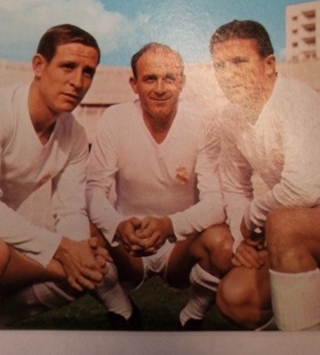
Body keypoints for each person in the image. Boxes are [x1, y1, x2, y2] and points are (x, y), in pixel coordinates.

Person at [0, 24, 111, 327]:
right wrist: (63, 250)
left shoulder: (74, 134)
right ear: (39, 65)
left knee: (90, 260)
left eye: (88, 72)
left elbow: (70, 210)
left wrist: (78, 250)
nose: (77, 82)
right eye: (68, 67)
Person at [209, 19, 320, 331]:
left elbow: (304, 189)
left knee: (283, 221)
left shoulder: (295, 100)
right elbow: (234, 186)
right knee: (235, 297)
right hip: (306, 236)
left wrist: (251, 219)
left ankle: (299, 345)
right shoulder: (229, 117)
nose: (228, 74)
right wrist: (241, 240)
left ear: (269, 65)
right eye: (220, 65)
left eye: (239, 62)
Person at [86, 43, 227, 330]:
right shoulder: (115, 118)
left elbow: (215, 203)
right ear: (134, 84)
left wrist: (168, 225)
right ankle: (122, 311)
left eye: (169, 78)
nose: (160, 88)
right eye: (150, 79)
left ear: (182, 82)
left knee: (222, 242)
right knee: (77, 231)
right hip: (128, 241)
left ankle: (192, 316)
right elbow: (94, 190)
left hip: (180, 243)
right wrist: (117, 226)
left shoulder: (204, 121)